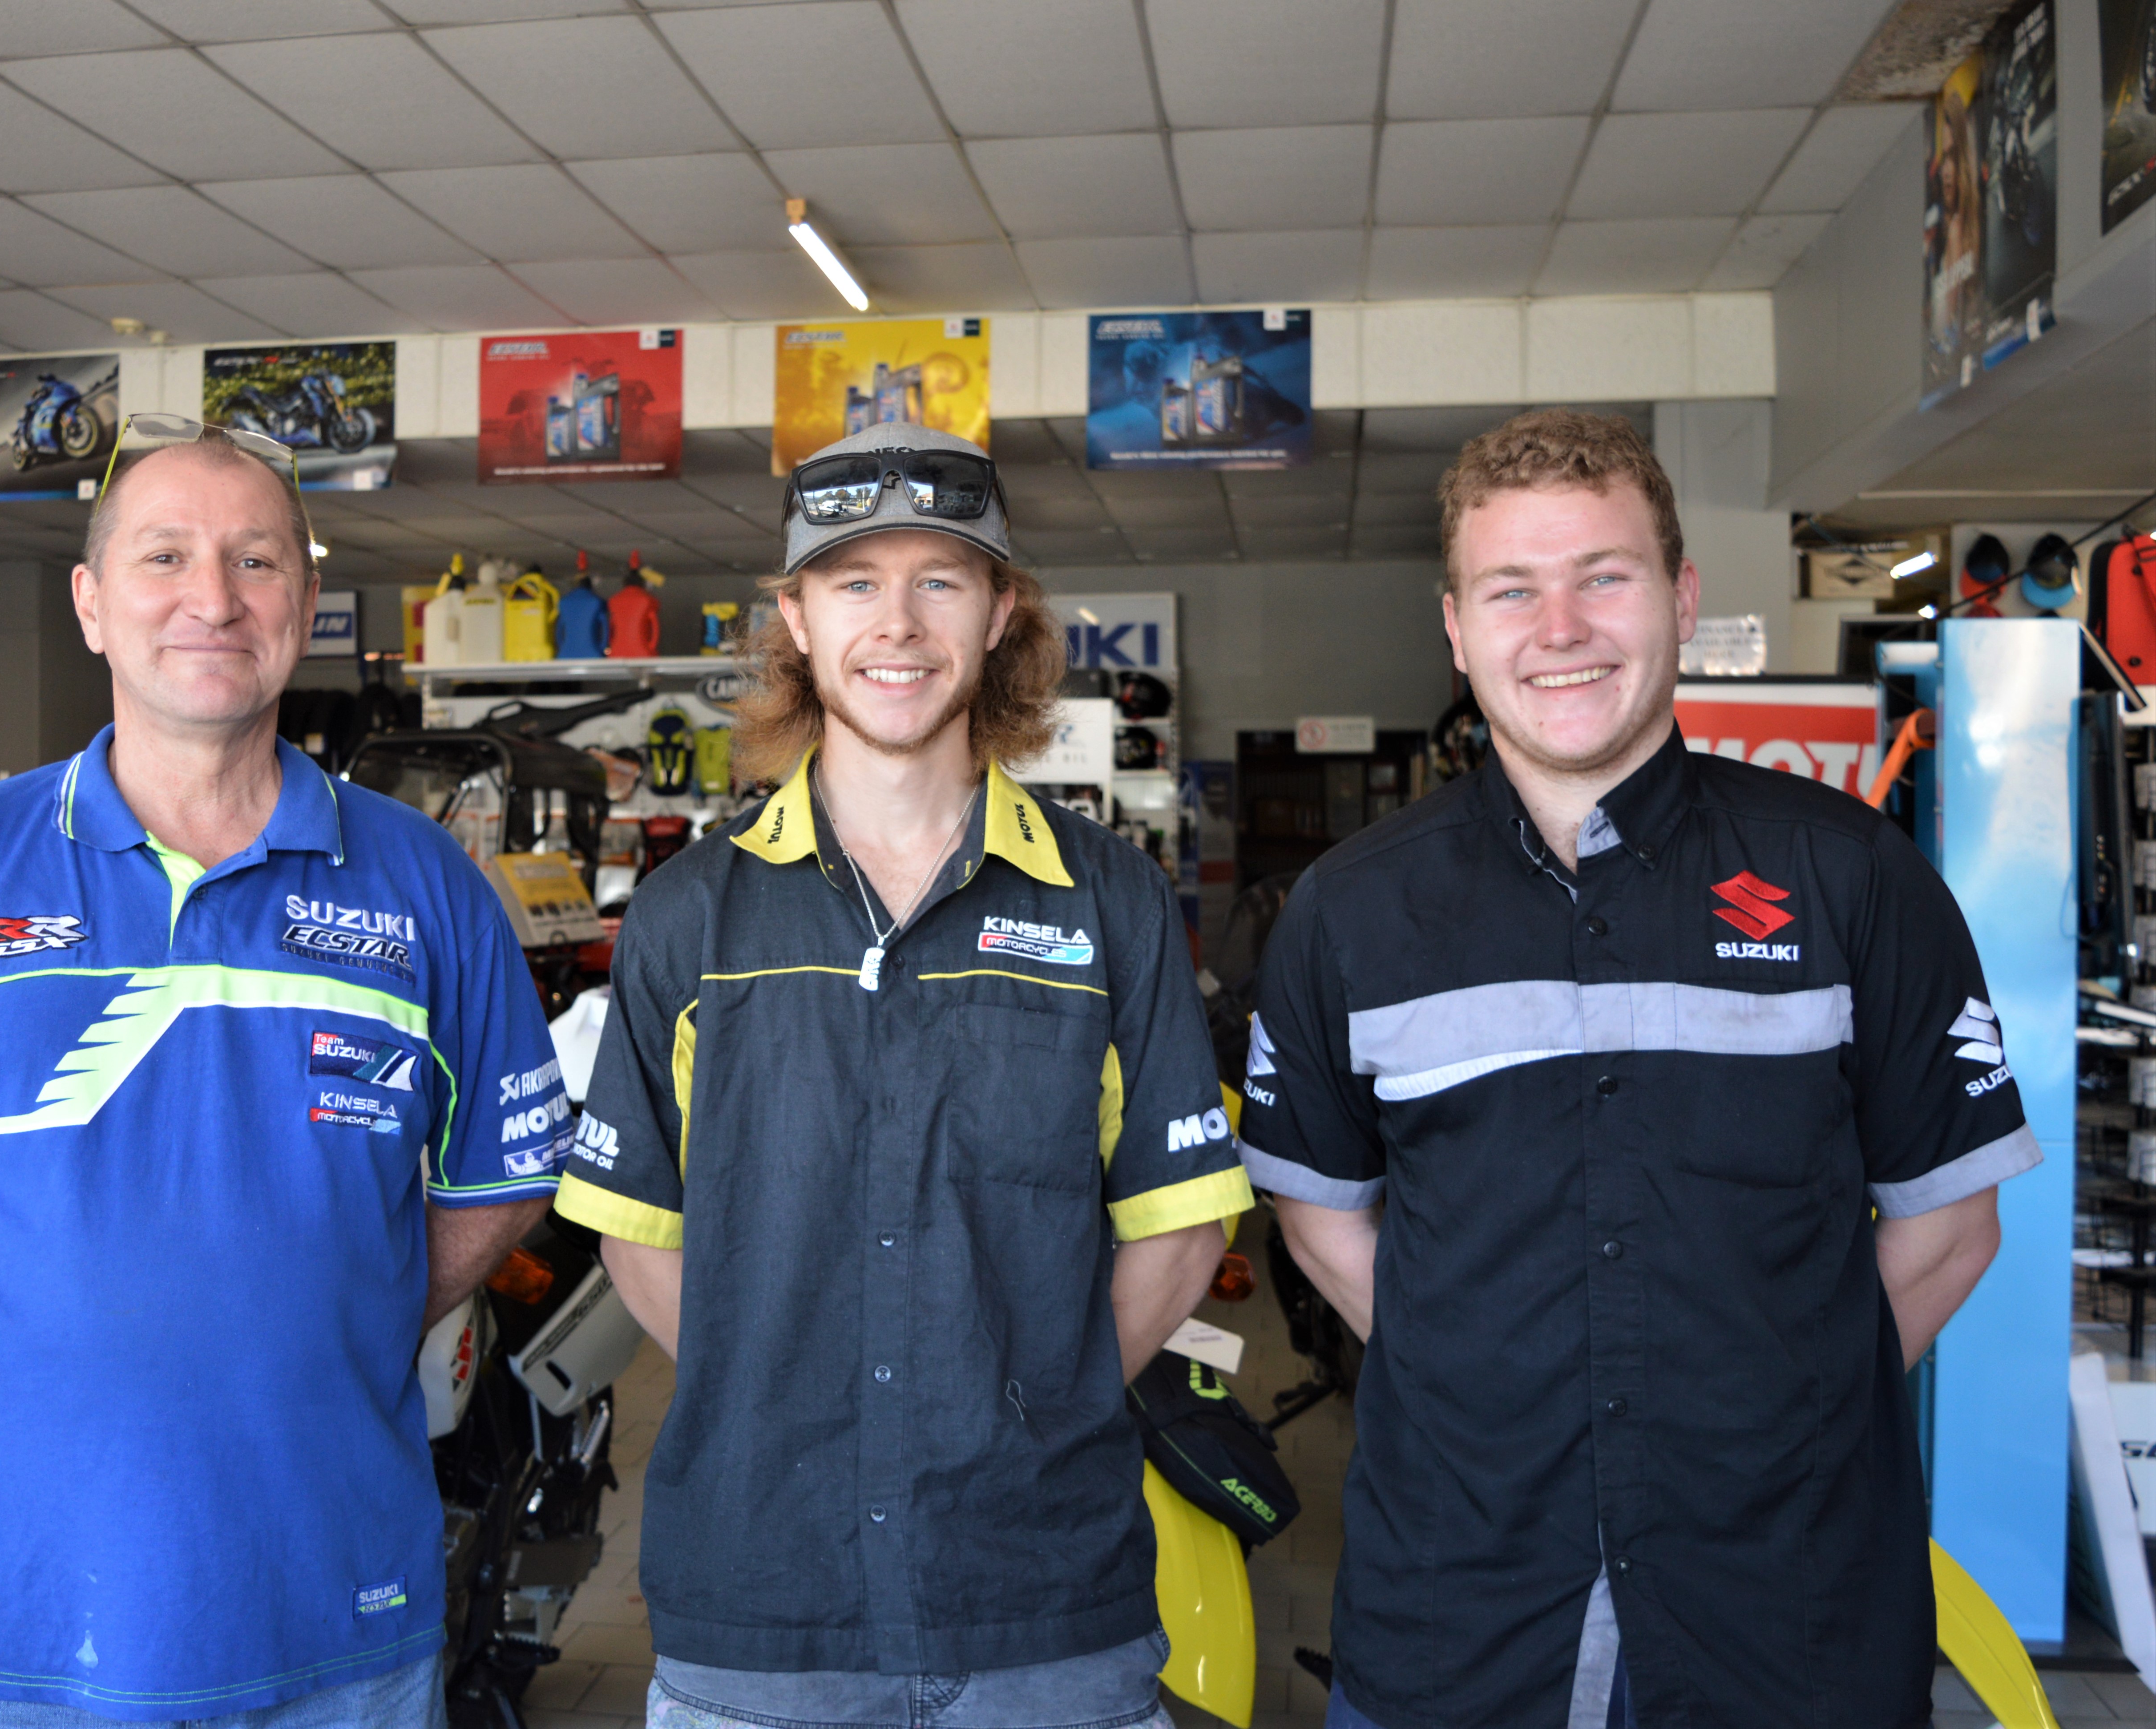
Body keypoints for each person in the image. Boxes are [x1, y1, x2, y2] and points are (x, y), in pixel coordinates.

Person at [0, 419, 570, 1726]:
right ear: (91, 604)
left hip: (336, 1625)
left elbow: (507, 1173)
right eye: (165, 557)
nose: (214, 599)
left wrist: (346, 1316)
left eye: (257, 560)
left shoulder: (427, 888)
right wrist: (1, 1344)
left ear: (304, 604)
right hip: (14, 1626)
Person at [1240, 409, 2035, 1729]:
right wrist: (1486, 1382)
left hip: (1788, 1635)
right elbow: (1320, 1218)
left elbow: (1951, 1227)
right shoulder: (1349, 914)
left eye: (1602, 577)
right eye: (1513, 590)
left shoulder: (1852, 877)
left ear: (1681, 599)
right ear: (1457, 629)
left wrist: (1775, 1403)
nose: (1560, 629)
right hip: (1458, 1629)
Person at [553, 421, 1253, 1729]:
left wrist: (1024, 1408)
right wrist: (778, 1383)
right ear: (797, 619)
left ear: (1000, 614)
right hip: (761, 1606)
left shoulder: (1110, 903)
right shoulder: (690, 915)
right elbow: (641, 1232)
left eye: (941, 579)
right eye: (855, 582)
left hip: (1046, 1603)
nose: (899, 623)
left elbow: (1180, 1226)